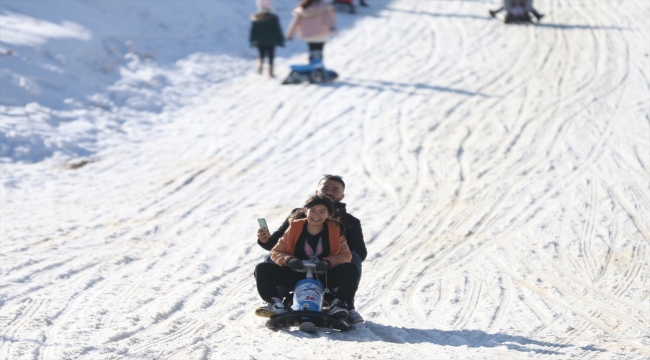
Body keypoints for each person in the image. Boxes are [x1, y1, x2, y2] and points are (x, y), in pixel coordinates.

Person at [257, 174, 367, 323]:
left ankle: (345, 304)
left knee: (352, 260)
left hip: (327, 272)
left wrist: (331, 261)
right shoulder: (296, 221)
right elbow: (276, 246)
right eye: (325, 188)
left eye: (335, 190)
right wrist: (269, 243)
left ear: (341, 196)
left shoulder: (343, 225)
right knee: (267, 262)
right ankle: (275, 300)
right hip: (296, 269)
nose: (329, 192)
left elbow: (358, 252)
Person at [249, 0, 285, 77]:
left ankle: (260, 65)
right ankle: (270, 72)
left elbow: (253, 31)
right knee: (271, 56)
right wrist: (281, 38)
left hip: (260, 40)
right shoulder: (273, 18)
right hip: (271, 40)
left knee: (261, 55)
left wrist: (251, 39)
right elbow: (277, 29)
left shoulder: (256, 18)